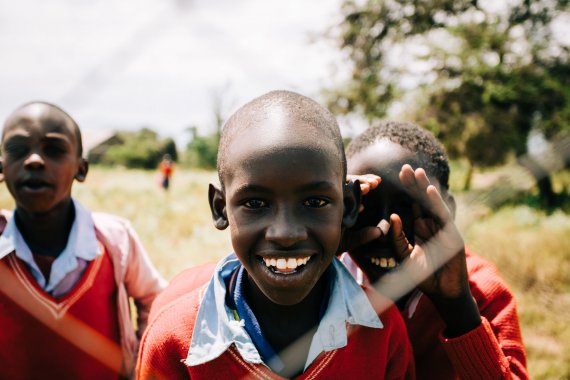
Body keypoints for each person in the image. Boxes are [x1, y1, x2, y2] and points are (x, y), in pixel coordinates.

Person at [137, 91, 415, 379]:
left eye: (315, 202)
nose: (286, 234)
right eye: (255, 203)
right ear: (220, 209)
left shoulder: (381, 331)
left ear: (349, 207)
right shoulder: (173, 340)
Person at [342, 120, 528, 379]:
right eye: (365, 206)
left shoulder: (482, 291)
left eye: (407, 207)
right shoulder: (326, 277)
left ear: (447, 209)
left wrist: (458, 307)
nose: (386, 227)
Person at [0, 101, 167, 379]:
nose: (34, 160)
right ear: (2, 168)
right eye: (18, 150)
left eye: (53, 149)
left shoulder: (114, 240)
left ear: (82, 169)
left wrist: (140, 365)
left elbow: (155, 299)